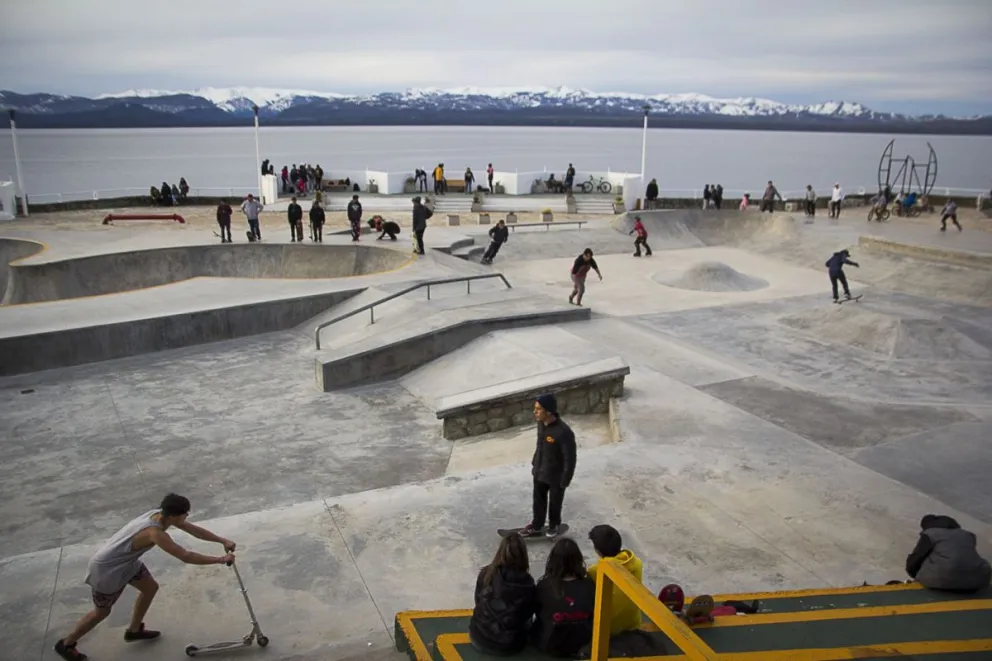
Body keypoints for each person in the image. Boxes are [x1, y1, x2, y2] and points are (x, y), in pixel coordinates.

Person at [53, 494, 236, 661]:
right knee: (101, 612)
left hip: (127, 562)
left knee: (150, 588)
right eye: (185, 513)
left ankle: (133, 631)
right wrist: (220, 560)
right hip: (107, 570)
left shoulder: (160, 515)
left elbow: (194, 530)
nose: (187, 516)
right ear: (173, 516)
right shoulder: (155, 533)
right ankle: (66, 644)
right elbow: (185, 556)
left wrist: (222, 540)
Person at [468, 533, 536, 656]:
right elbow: (527, 614)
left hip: (480, 637)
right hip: (511, 644)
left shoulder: (486, 573)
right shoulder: (527, 583)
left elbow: (478, 601)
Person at [520, 394, 576, 540]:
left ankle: (554, 525)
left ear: (549, 411)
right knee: (538, 500)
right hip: (540, 471)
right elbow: (540, 446)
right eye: (535, 408)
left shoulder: (563, 432)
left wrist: (566, 479)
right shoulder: (541, 425)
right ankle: (537, 524)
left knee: (555, 503)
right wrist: (535, 463)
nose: (535, 412)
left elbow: (570, 458)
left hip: (556, 476)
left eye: (538, 409)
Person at [531, 537, 596, 657]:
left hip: (549, 644)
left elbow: (537, 611)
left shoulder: (544, 586)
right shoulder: (590, 585)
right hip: (582, 644)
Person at [906, 514, 991, 592]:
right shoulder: (968, 535)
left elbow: (917, 557)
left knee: (928, 558)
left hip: (940, 581)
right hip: (975, 581)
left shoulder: (930, 534)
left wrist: (916, 575)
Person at [586, 524, 644, 635]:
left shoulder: (596, 571)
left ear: (598, 551)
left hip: (608, 629)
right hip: (633, 623)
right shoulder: (637, 563)